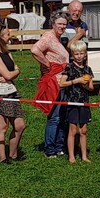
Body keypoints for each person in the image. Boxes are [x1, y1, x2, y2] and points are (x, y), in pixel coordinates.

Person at [0, 25, 26, 164]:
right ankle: (2, 158)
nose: (10, 37)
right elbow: (8, 73)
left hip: (11, 90)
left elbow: (16, 71)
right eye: (7, 34)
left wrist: (13, 74)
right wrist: (13, 74)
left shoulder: (6, 52)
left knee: (19, 125)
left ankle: (13, 155)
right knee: (2, 126)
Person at [31, 11, 70, 158]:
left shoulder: (58, 38)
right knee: (54, 117)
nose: (62, 26)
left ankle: (59, 146)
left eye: (64, 24)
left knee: (61, 115)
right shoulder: (48, 37)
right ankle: (50, 149)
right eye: (59, 23)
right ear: (53, 24)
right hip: (54, 82)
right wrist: (47, 64)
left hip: (63, 82)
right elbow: (34, 50)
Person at [59, 41, 94, 163]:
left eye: (81, 53)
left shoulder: (88, 69)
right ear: (72, 55)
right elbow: (62, 83)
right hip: (72, 102)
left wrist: (85, 85)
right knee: (73, 130)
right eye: (76, 54)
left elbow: (91, 88)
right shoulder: (69, 67)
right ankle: (71, 156)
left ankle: (84, 156)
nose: (79, 56)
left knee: (84, 130)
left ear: (85, 54)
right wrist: (76, 81)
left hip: (84, 102)